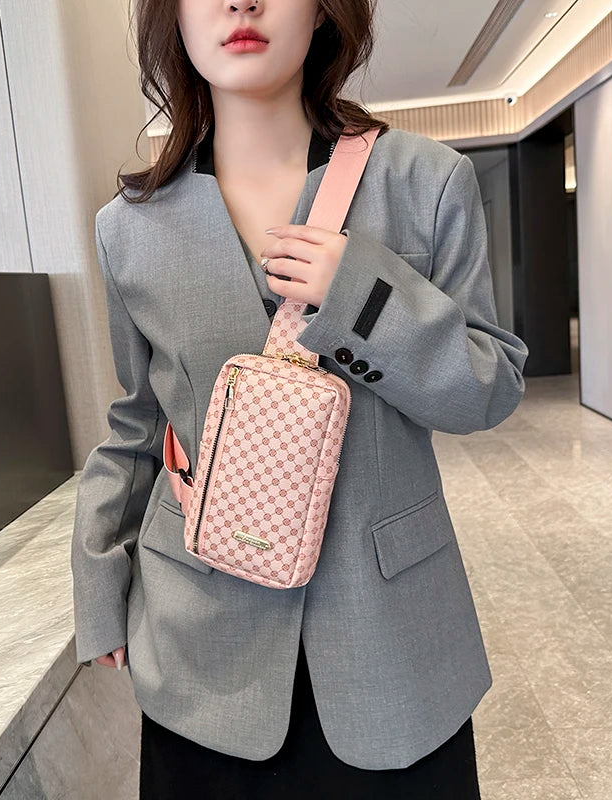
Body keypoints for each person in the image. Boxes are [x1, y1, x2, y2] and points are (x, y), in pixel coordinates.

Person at [70, 0, 530, 797]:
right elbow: (138, 423)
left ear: (322, 11)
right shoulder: (130, 228)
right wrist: (98, 578)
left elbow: (487, 389)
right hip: (200, 648)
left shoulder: (425, 183)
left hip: (392, 647)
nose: (240, 3)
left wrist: (363, 297)